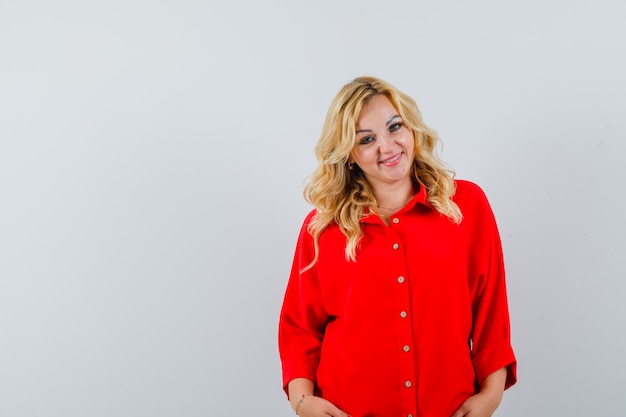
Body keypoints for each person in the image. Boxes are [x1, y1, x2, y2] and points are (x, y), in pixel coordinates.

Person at [278, 76, 517, 417]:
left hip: (448, 409)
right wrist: (303, 403)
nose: (387, 147)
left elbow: (491, 310)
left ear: (413, 131)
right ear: (349, 155)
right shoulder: (322, 229)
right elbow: (300, 327)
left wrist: (491, 395)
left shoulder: (466, 205)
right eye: (367, 139)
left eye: (395, 127)